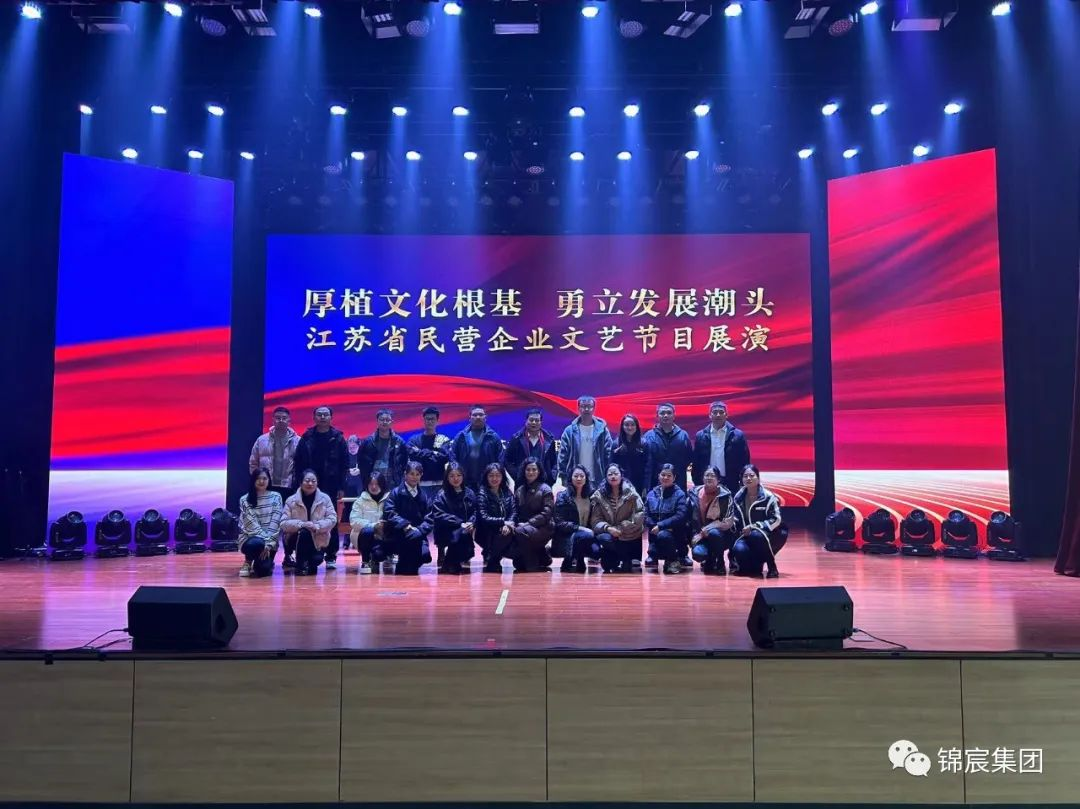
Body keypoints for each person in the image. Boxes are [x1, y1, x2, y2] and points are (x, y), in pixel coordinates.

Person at [293, 405, 348, 570]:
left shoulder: (338, 438)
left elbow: (344, 464)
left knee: (331, 518)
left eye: (325, 415)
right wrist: (300, 482)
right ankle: (308, 552)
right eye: (319, 414)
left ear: (331, 418)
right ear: (314, 417)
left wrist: (341, 486)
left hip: (331, 484)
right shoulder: (307, 437)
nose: (322, 417)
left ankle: (331, 555)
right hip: (309, 484)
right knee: (309, 517)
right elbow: (298, 462)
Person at [643, 402, 694, 568]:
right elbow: (646, 462)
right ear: (657, 416)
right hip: (655, 485)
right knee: (654, 518)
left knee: (680, 519)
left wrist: (675, 477)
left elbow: (689, 458)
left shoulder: (683, 435)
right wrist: (647, 485)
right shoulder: (649, 436)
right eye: (662, 413)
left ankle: (682, 554)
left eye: (668, 413)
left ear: (674, 415)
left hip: (678, 485)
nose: (665, 416)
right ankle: (652, 554)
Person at [373, 460, 433, 575]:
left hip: (417, 534)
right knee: (380, 554)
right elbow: (389, 512)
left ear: (421, 475)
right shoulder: (395, 493)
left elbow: (430, 518)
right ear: (405, 474)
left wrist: (419, 530)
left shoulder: (425, 496)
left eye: (417, 474)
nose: (414, 477)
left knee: (425, 555)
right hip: (398, 533)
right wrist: (405, 525)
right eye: (411, 474)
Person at [281, 469, 338, 576]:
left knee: (315, 561)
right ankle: (300, 564)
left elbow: (332, 518)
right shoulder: (290, 500)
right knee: (304, 532)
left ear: (317, 483)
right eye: (307, 481)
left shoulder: (325, 499)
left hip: (318, 537)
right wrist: (302, 524)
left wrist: (317, 526)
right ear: (300, 482)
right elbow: (283, 523)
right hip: (295, 539)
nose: (310, 483)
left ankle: (308, 562)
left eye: (313, 481)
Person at [590, 463, 645, 574]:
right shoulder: (600, 495)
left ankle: (626, 557)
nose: (613, 476)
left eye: (616, 473)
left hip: (628, 533)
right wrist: (608, 528)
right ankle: (623, 557)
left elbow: (639, 514)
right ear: (606, 477)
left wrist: (622, 528)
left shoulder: (631, 493)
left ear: (621, 475)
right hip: (610, 534)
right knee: (607, 564)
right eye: (610, 474)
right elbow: (595, 520)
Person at [731, 464, 783, 578]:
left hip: (768, 534)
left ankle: (772, 566)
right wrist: (731, 523)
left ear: (758, 478)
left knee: (756, 535)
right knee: (738, 549)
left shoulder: (768, 496)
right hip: (745, 535)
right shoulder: (738, 497)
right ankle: (754, 566)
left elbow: (776, 519)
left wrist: (754, 526)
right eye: (745, 476)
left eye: (751, 475)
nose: (748, 478)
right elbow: (736, 519)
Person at [692, 401, 751, 496]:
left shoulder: (738, 435)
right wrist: (698, 482)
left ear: (726, 415)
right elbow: (696, 463)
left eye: (721, 412)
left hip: (731, 483)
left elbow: (744, 461)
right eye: (715, 412)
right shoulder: (701, 436)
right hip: (707, 482)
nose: (718, 415)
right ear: (710, 415)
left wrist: (742, 483)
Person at [430, 462, 478, 575]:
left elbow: (476, 511)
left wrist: (472, 522)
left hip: (466, 528)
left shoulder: (469, 492)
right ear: (447, 478)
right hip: (447, 529)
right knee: (460, 536)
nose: (456, 479)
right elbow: (438, 514)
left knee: (468, 550)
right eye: (452, 476)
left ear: (463, 476)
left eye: (458, 475)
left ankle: (452, 560)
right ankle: (449, 562)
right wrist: (459, 522)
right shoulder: (441, 494)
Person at [644, 463, 692, 575]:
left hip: (674, 534)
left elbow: (680, 516)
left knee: (663, 535)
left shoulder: (680, 494)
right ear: (658, 476)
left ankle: (673, 560)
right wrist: (654, 526)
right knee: (655, 548)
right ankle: (655, 553)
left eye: (669, 475)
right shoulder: (651, 494)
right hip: (655, 533)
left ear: (674, 478)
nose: (665, 478)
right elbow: (645, 515)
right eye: (663, 475)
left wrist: (661, 526)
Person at [689, 465, 736, 575]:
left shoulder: (726, 495)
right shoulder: (693, 493)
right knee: (698, 554)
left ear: (718, 479)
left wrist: (705, 530)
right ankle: (709, 559)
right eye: (707, 475)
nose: (709, 478)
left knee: (714, 533)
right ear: (702, 478)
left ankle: (720, 561)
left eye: (712, 476)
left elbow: (728, 521)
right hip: (700, 535)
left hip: (721, 535)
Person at [558, 395, 613, 488]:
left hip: (598, 479)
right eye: (583, 406)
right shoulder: (569, 431)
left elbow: (609, 454)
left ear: (594, 408)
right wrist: (563, 475)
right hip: (576, 479)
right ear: (578, 408)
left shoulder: (602, 430)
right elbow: (563, 455)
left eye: (589, 406)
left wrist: (609, 474)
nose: (586, 409)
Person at [510, 459, 555, 572]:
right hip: (524, 527)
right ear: (524, 471)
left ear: (539, 471)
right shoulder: (519, 490)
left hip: (543, 527)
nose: (531, 472)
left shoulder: (546, 489)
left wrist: (527, 524)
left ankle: (532, 565)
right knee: (518, 564)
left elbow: (546, 514)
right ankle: (542, 555)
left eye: (534, 469)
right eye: (528, 469)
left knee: (520, 531)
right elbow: (515, 511)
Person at [238, 467, 284, 578]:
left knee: (263, 571)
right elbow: (251, 526)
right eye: (258, 478)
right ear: (253, 480)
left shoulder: (276, 497)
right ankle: (248, 561)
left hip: (270, 543)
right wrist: (265, 542)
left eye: (264, 478)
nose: (261, 481)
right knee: (256, 543)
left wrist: (268, 544)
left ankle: (265, 563)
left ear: (269, 480)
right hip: (251, 538)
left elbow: (276, 522)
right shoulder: (244, 499)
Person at [248, 406, 300, 504]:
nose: (281, 420)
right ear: (273, 420)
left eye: (284, 418)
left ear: (289, 421)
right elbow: (253, 463)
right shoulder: (261, 440)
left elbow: (301, 465)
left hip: (288, 486)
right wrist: (258, 480)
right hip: (267, 485)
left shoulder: (298, 441)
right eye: (278, 418)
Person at [449, 405, 505, 491]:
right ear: (470, 418)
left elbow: (500, 459)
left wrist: (495, 477)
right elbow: (453, 457)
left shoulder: (493, 437)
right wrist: (457, 476)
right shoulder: (461, 436)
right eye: (475, 415)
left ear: (485, 418)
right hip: (465, 482)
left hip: (487, 482)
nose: (478, 417)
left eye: (481, 415)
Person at [553, 464, 597, 573]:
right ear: (570, 478)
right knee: (584, 535)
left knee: (597, 551)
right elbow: (560, 522)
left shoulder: (591, 495)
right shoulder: (563, 496)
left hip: (588, 534)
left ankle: (579, 558)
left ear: (586, 478)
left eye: (582, 476)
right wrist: (580, 528)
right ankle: (571, 559)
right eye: (576, 476)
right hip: (567, 535)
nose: (579, 478)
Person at [501, 408, 558, 487]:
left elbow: (554, 462)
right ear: (526, 421)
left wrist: (551, 478)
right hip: (522, 484)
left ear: (541, 422)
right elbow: (507, 460)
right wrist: (518, 476)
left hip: (544, 484)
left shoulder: (549, 439)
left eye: (537, 420)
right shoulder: (516, 439)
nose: (534, 423)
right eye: (531, 420)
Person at [476, 463, 516, 573]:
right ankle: (492, 558)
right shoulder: (482, 493)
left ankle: (492, 556)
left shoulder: (506, 491)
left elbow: (513, 511)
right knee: (503, 536)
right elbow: (484, 517)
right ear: (486, 477)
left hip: (505, 528)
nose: (494, 479)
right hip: (487, 530)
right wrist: (503, 522)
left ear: (502, 477)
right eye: (491, 475)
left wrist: (508, 524)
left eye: (498, 475)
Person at [407, 406, 452, 500]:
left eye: (433, 419)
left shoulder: (444, 439)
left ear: (437, 421)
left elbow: (444, 458)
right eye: (427, 419)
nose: (430, 421)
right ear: (423, 420)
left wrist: (421, 452)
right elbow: (413, 456)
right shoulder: (414, 440)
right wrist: (434, 453)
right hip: (420, 485)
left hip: (440, 485)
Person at [349, 472, 388, 574]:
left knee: (379, 555)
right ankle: (365, 561)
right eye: (371, 484)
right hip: (364, 537)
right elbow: (354, 520)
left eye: (377, 484)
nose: (374, 487)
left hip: (383, 536)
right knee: (367, 531)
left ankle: (387, 555)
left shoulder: (389, 499)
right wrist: (373, 525)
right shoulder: (360, 501)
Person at [358, 409, 408, 489]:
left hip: (393, 483)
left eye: (387, 420)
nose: (384, 422)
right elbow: (361, 464)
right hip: (373, 484)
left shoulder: (399, 442)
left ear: (392, 422)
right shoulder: (368, 442)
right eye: (382, 419)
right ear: (377, 421)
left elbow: (404, 462)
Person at [611, 413, 647, 495]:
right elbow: (611, 465)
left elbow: (647, 467)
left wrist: (646, 486)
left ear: (636, 426)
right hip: (620, 483)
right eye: (627, 425)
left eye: (632, 425)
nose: (630, 427)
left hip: (639, 484)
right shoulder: (616, 444)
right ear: (622, 427)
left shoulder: (644, 444)